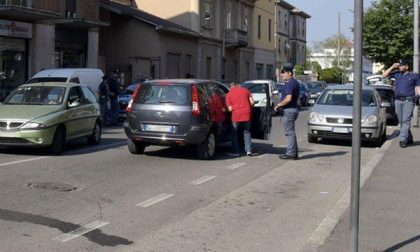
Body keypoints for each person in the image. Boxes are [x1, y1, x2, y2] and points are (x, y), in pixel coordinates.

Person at [383, 59, 420, 148]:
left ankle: (403, 140)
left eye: (401, 65)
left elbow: (418, 87)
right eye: (399, 65)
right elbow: (383, 75)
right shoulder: (396, 74)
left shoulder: (415, 75)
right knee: (401, 121)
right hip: (398, 101)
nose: (399, 67)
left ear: (406, 67)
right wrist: (392, 66)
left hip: (409, 101)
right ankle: (409, 137)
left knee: (406, 120)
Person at [274, 66, 300, 160]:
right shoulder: (294, 82)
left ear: (289, 73)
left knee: (289, 132)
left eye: (284, 72)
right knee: (291, 132)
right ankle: (294, 153)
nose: (282, 74)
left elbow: (288, 99)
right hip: (292, 109)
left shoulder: (290, 83)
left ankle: (291, 153)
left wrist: (278, 105)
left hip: (289, 110)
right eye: (282, 72)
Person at [225, 82, 255, 156]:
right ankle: (248, 151)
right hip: (247, 114)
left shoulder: (228, 95)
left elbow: (230, 109)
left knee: (234, 133)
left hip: (236, 115)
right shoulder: (245, 90)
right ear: (237, 85)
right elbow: (252, 102)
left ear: (230, 87)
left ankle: (236, 152)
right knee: (247, 132)